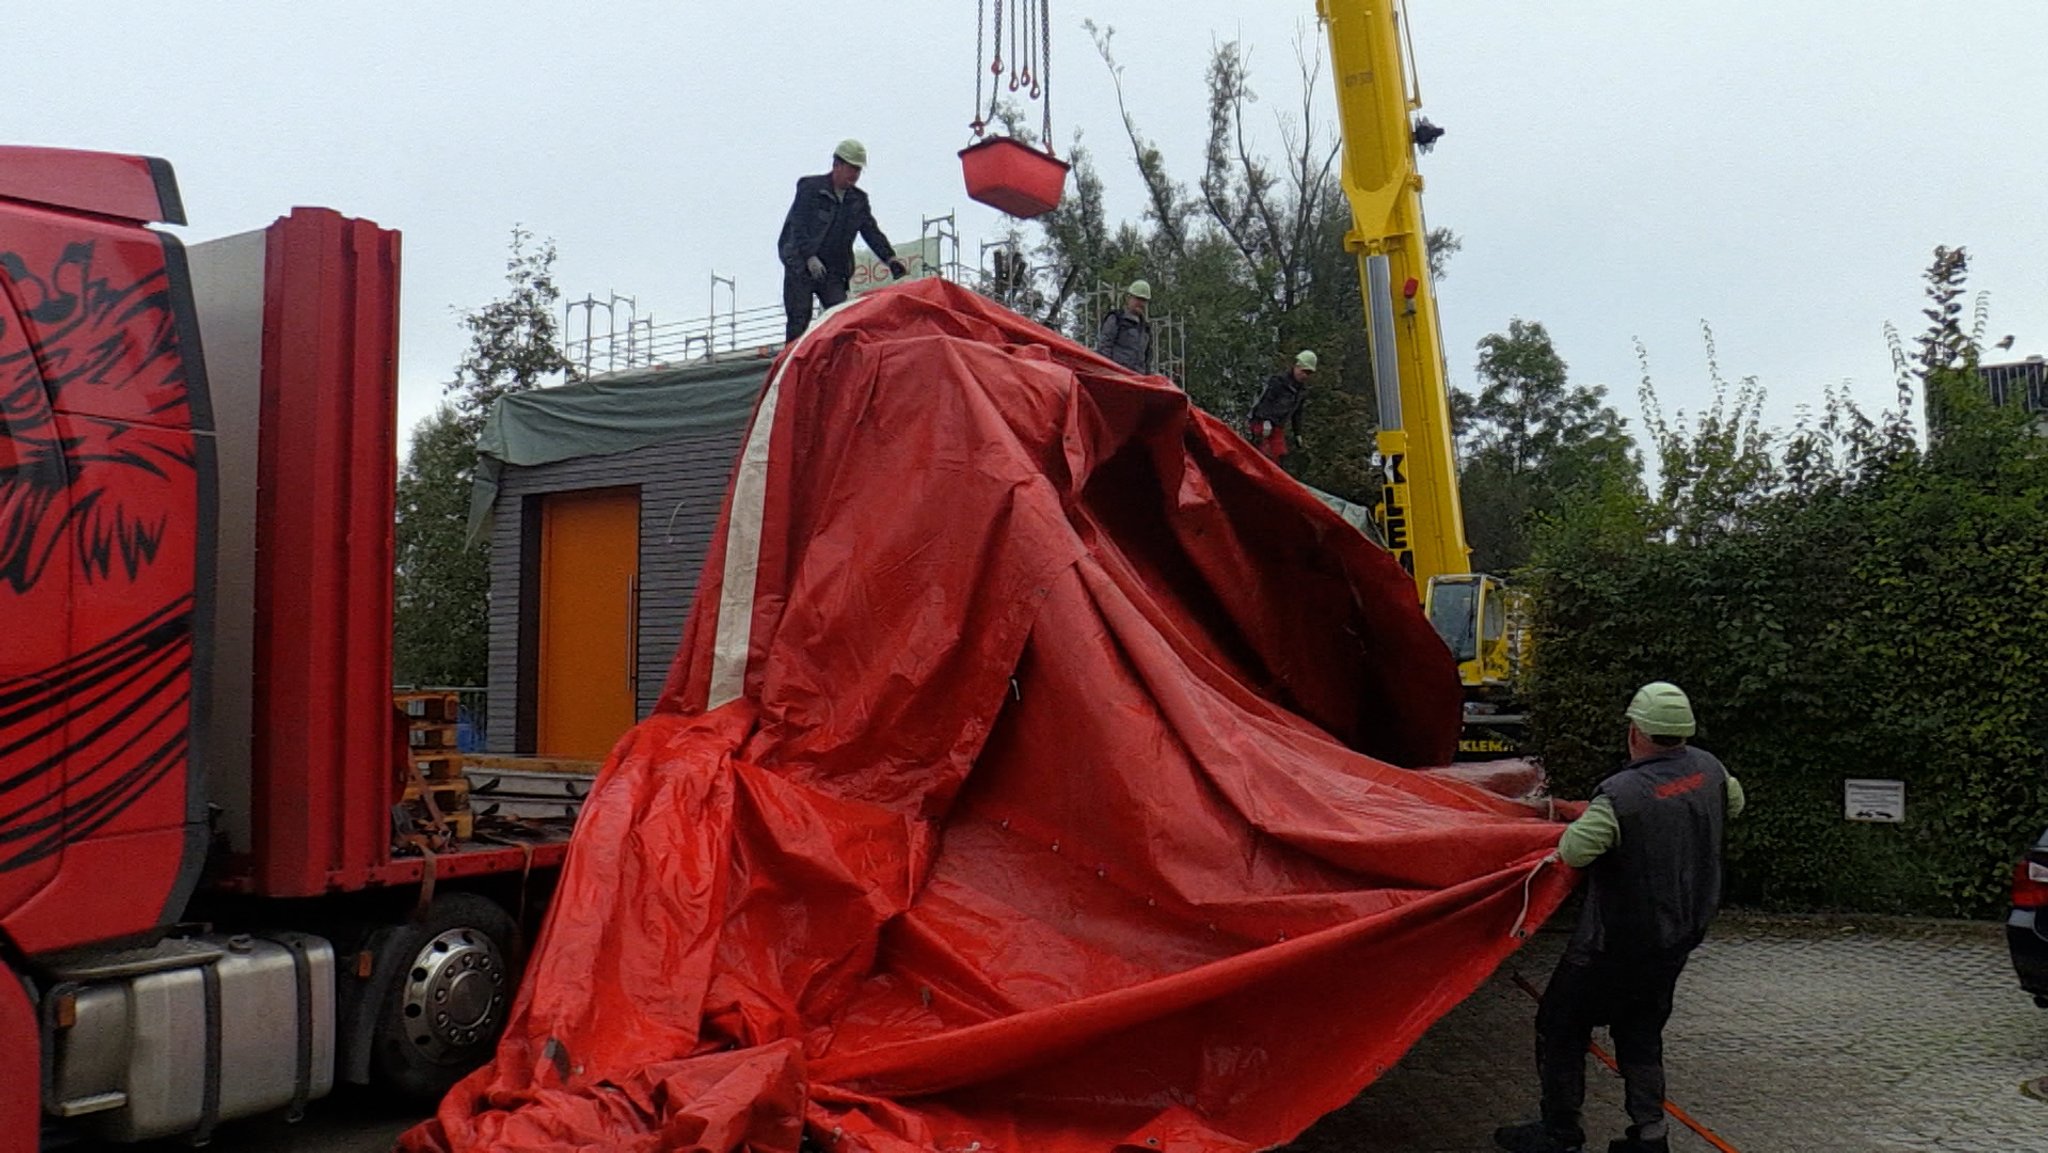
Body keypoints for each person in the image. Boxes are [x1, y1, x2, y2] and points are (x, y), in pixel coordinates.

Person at [1495, 682, 1747, 1153]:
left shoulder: (1622, 794)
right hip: (1678, 935)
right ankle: (1650, 1136)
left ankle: (1559, 1131)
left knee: (1559, 1023)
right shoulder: (1710, 770)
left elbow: (1573, 850)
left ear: (1635, 732)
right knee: (1641, 1030)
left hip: (1613, 944)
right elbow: (1733, 804)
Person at [777, 138, 908, 343]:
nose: (854, 175)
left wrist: (890, 259)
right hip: (800, 266)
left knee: (842, 317)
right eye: (851, 168)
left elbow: (871, 231)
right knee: (798, 318)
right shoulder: (810, 188)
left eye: (858, 170)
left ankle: (840, 365)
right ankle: (792, 365)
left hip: (832, 271)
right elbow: (798, 225)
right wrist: (809, 256)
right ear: (837, 165)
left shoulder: (858, 200)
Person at [1247, 350, 1317, 461]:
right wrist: (1266, 421)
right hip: (1261, 423)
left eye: (1309, 373)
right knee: (1263, 455)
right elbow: (1265, 402)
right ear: (1297, 366)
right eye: (1304, 371)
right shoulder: (1278, 381)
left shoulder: (1301, 392)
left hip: (1278, 427)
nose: (1305, 375)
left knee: (1280, 455)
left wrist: (1297, 434)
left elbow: (1297, 414)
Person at [1094, 280, 1154, 372]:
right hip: (1117, 375)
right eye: (1138, 298)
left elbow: (1147, 358)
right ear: (1128, 298)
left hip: (1137, 379)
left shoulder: (1145, 328)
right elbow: (1104, 347)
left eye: (1144, 300)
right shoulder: (1116, 319)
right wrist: (1107, 372)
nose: (1141, 303)